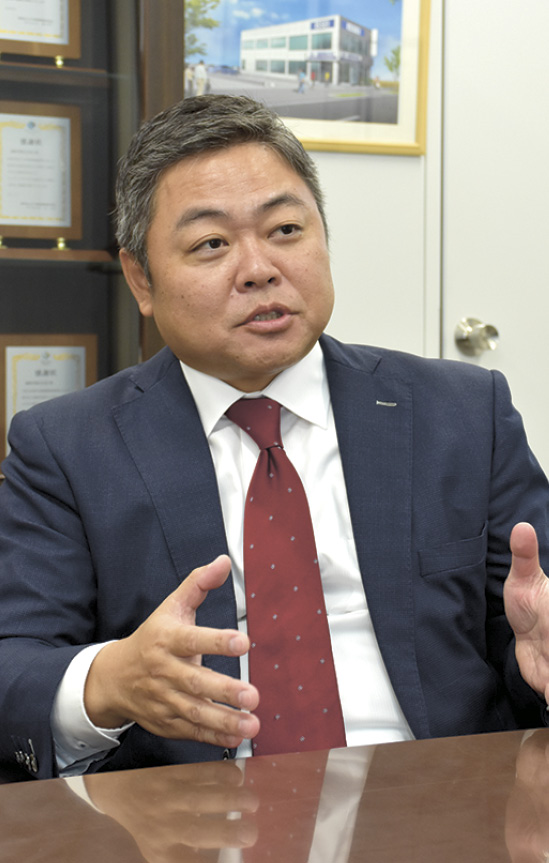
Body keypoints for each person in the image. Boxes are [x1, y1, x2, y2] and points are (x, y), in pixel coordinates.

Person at [1, 94, 549, 782]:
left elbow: (529, 632)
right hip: (189, 814)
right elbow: (14, 663)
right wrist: (109, 680)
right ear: (141, 278)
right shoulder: (66, 448)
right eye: (211, 244)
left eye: (286, 229)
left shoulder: (463, 412)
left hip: (442, 794)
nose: (259, 268)